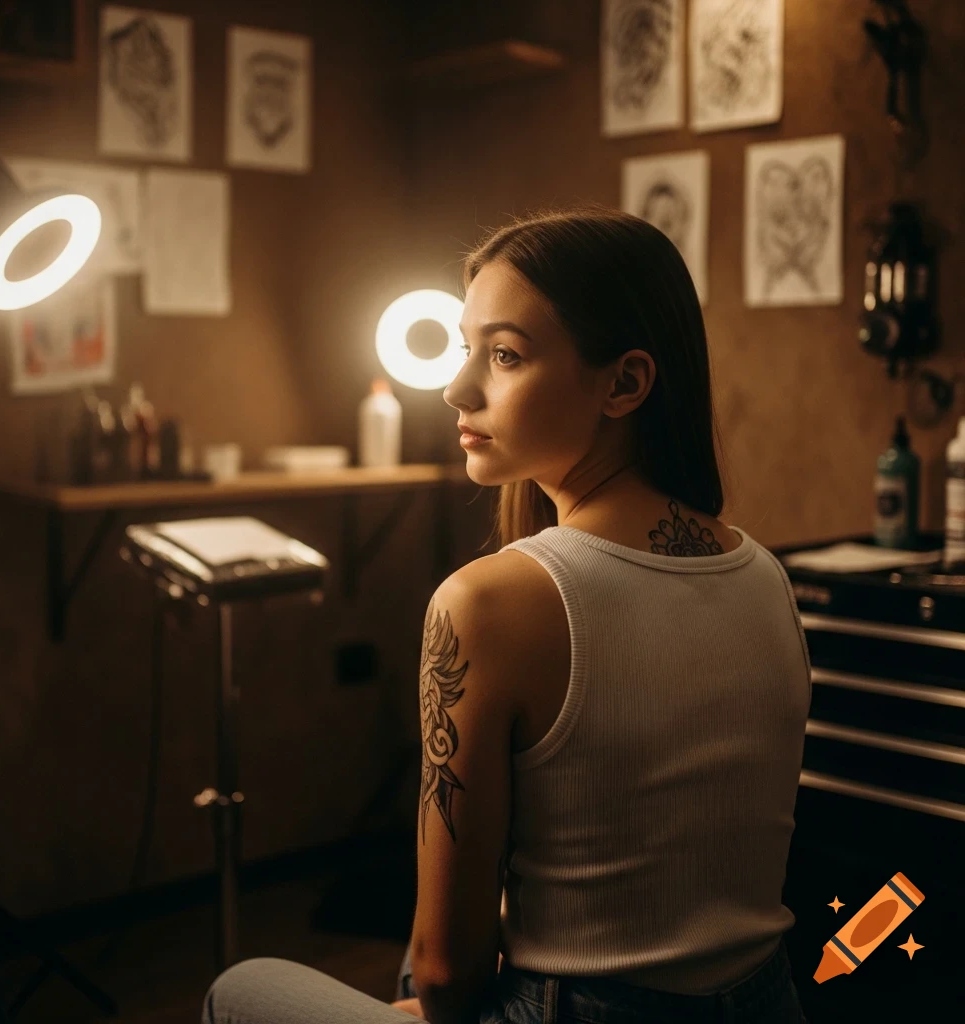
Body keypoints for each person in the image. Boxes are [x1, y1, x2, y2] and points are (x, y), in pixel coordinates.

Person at [201, 205, 812, 1023]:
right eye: (467, 350)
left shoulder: (487, 604)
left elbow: (447, 974)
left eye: (505, 355)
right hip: (768, 1003)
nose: (457, 388)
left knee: (239, 990)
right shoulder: (766, 574)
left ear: (625, 383)